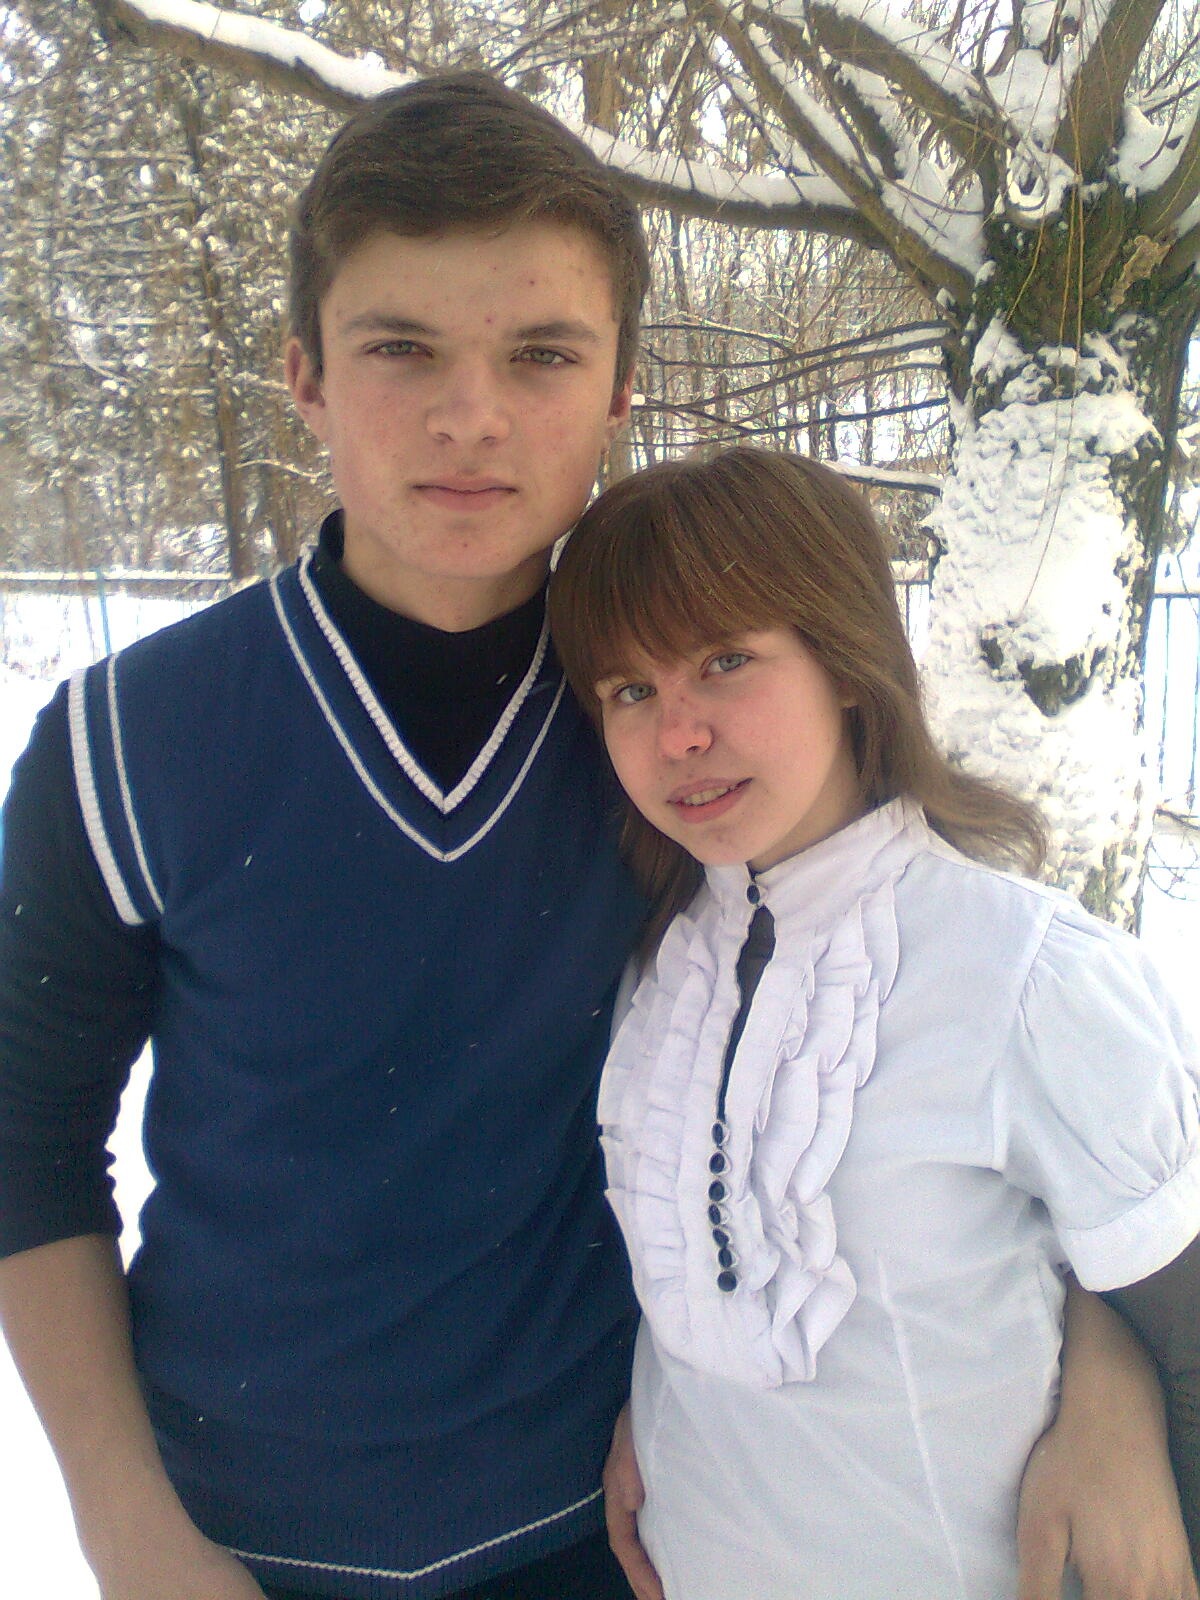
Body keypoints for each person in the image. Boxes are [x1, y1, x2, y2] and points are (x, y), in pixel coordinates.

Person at [0, 72, 1187, 1600]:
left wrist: (1111, 1370)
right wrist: (123, 1523)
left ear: (623, 389)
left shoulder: (687, 732)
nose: (472, 415)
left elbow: (942, 1055)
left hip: (610, 1531)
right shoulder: (128, 743)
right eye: (400, 348)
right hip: (237, 1540)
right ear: (303, 374)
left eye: (543, 353)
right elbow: (25, 1140)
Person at [548, 445, 1200, 1600]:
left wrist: (1124, 1409)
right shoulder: (658, 969)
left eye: (726, 660)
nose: (677, 733)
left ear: (846, 662)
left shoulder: (1028, 976)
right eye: (630, 689)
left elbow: (1187, 1332)